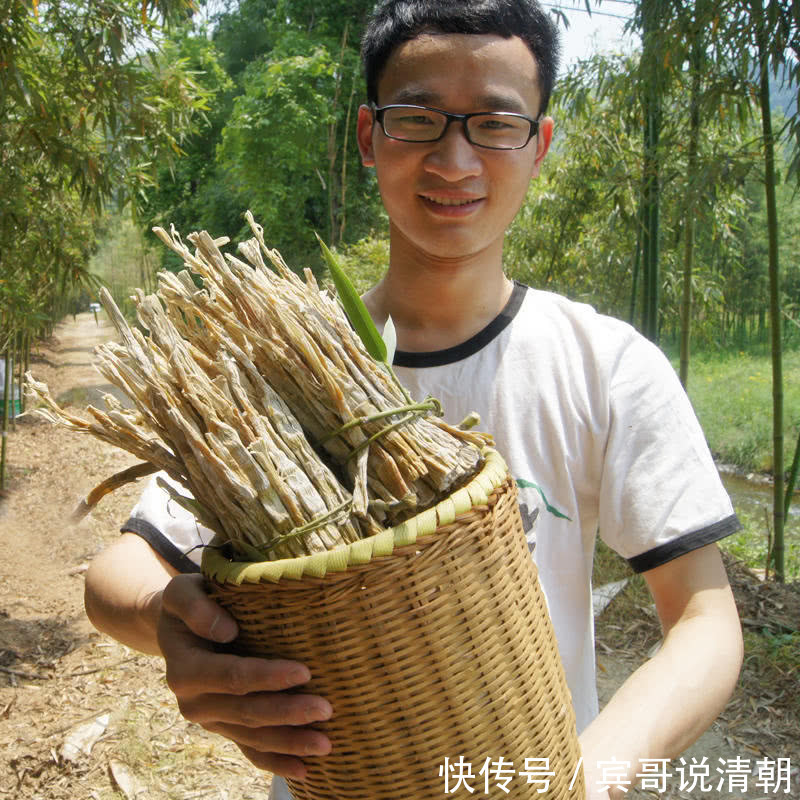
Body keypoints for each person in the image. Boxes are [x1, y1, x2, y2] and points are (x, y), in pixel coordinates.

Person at [83, 1, 744, 798]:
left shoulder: (604, 365)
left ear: (539, 145)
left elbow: (705, 621)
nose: (455, 160)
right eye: (419, 119)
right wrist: (171, 620)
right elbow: (117, 574)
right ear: (369, 135)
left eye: (495, 125)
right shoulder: (284, 364)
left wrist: (587, 778)